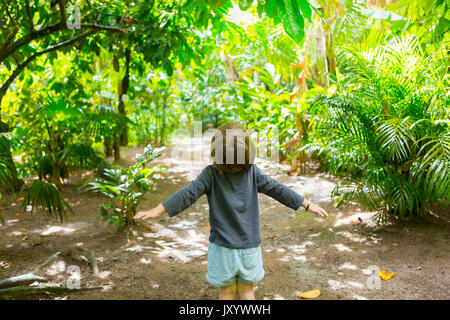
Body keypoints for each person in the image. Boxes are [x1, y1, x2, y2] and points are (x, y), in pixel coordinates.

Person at [134, 122, 328, 300]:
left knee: (226, 292)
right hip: (249, 248)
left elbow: (188, 194)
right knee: (246, 291)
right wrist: (306, 204)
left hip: (222, 249)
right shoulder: (252, 172)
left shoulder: (211, 174)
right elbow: (278, 189)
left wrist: (159, 210)